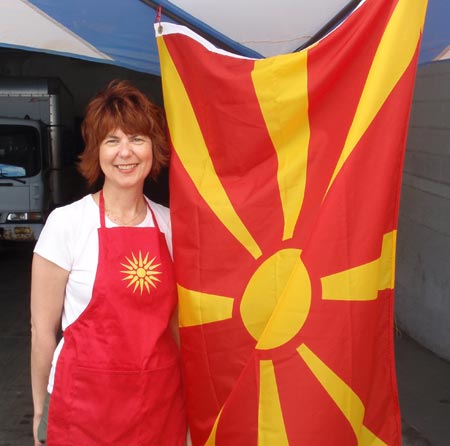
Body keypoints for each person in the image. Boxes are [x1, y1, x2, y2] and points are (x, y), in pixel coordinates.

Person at [30, 80, 187, 446]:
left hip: (158, 405)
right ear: (96, 152)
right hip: (81, 408)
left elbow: (179, 328)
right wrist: (40, 411)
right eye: (111, 140)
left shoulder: (172, 225)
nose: (125, 153)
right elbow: (42, 332)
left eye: (137, 139)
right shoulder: (67, 224)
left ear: (153, 149)